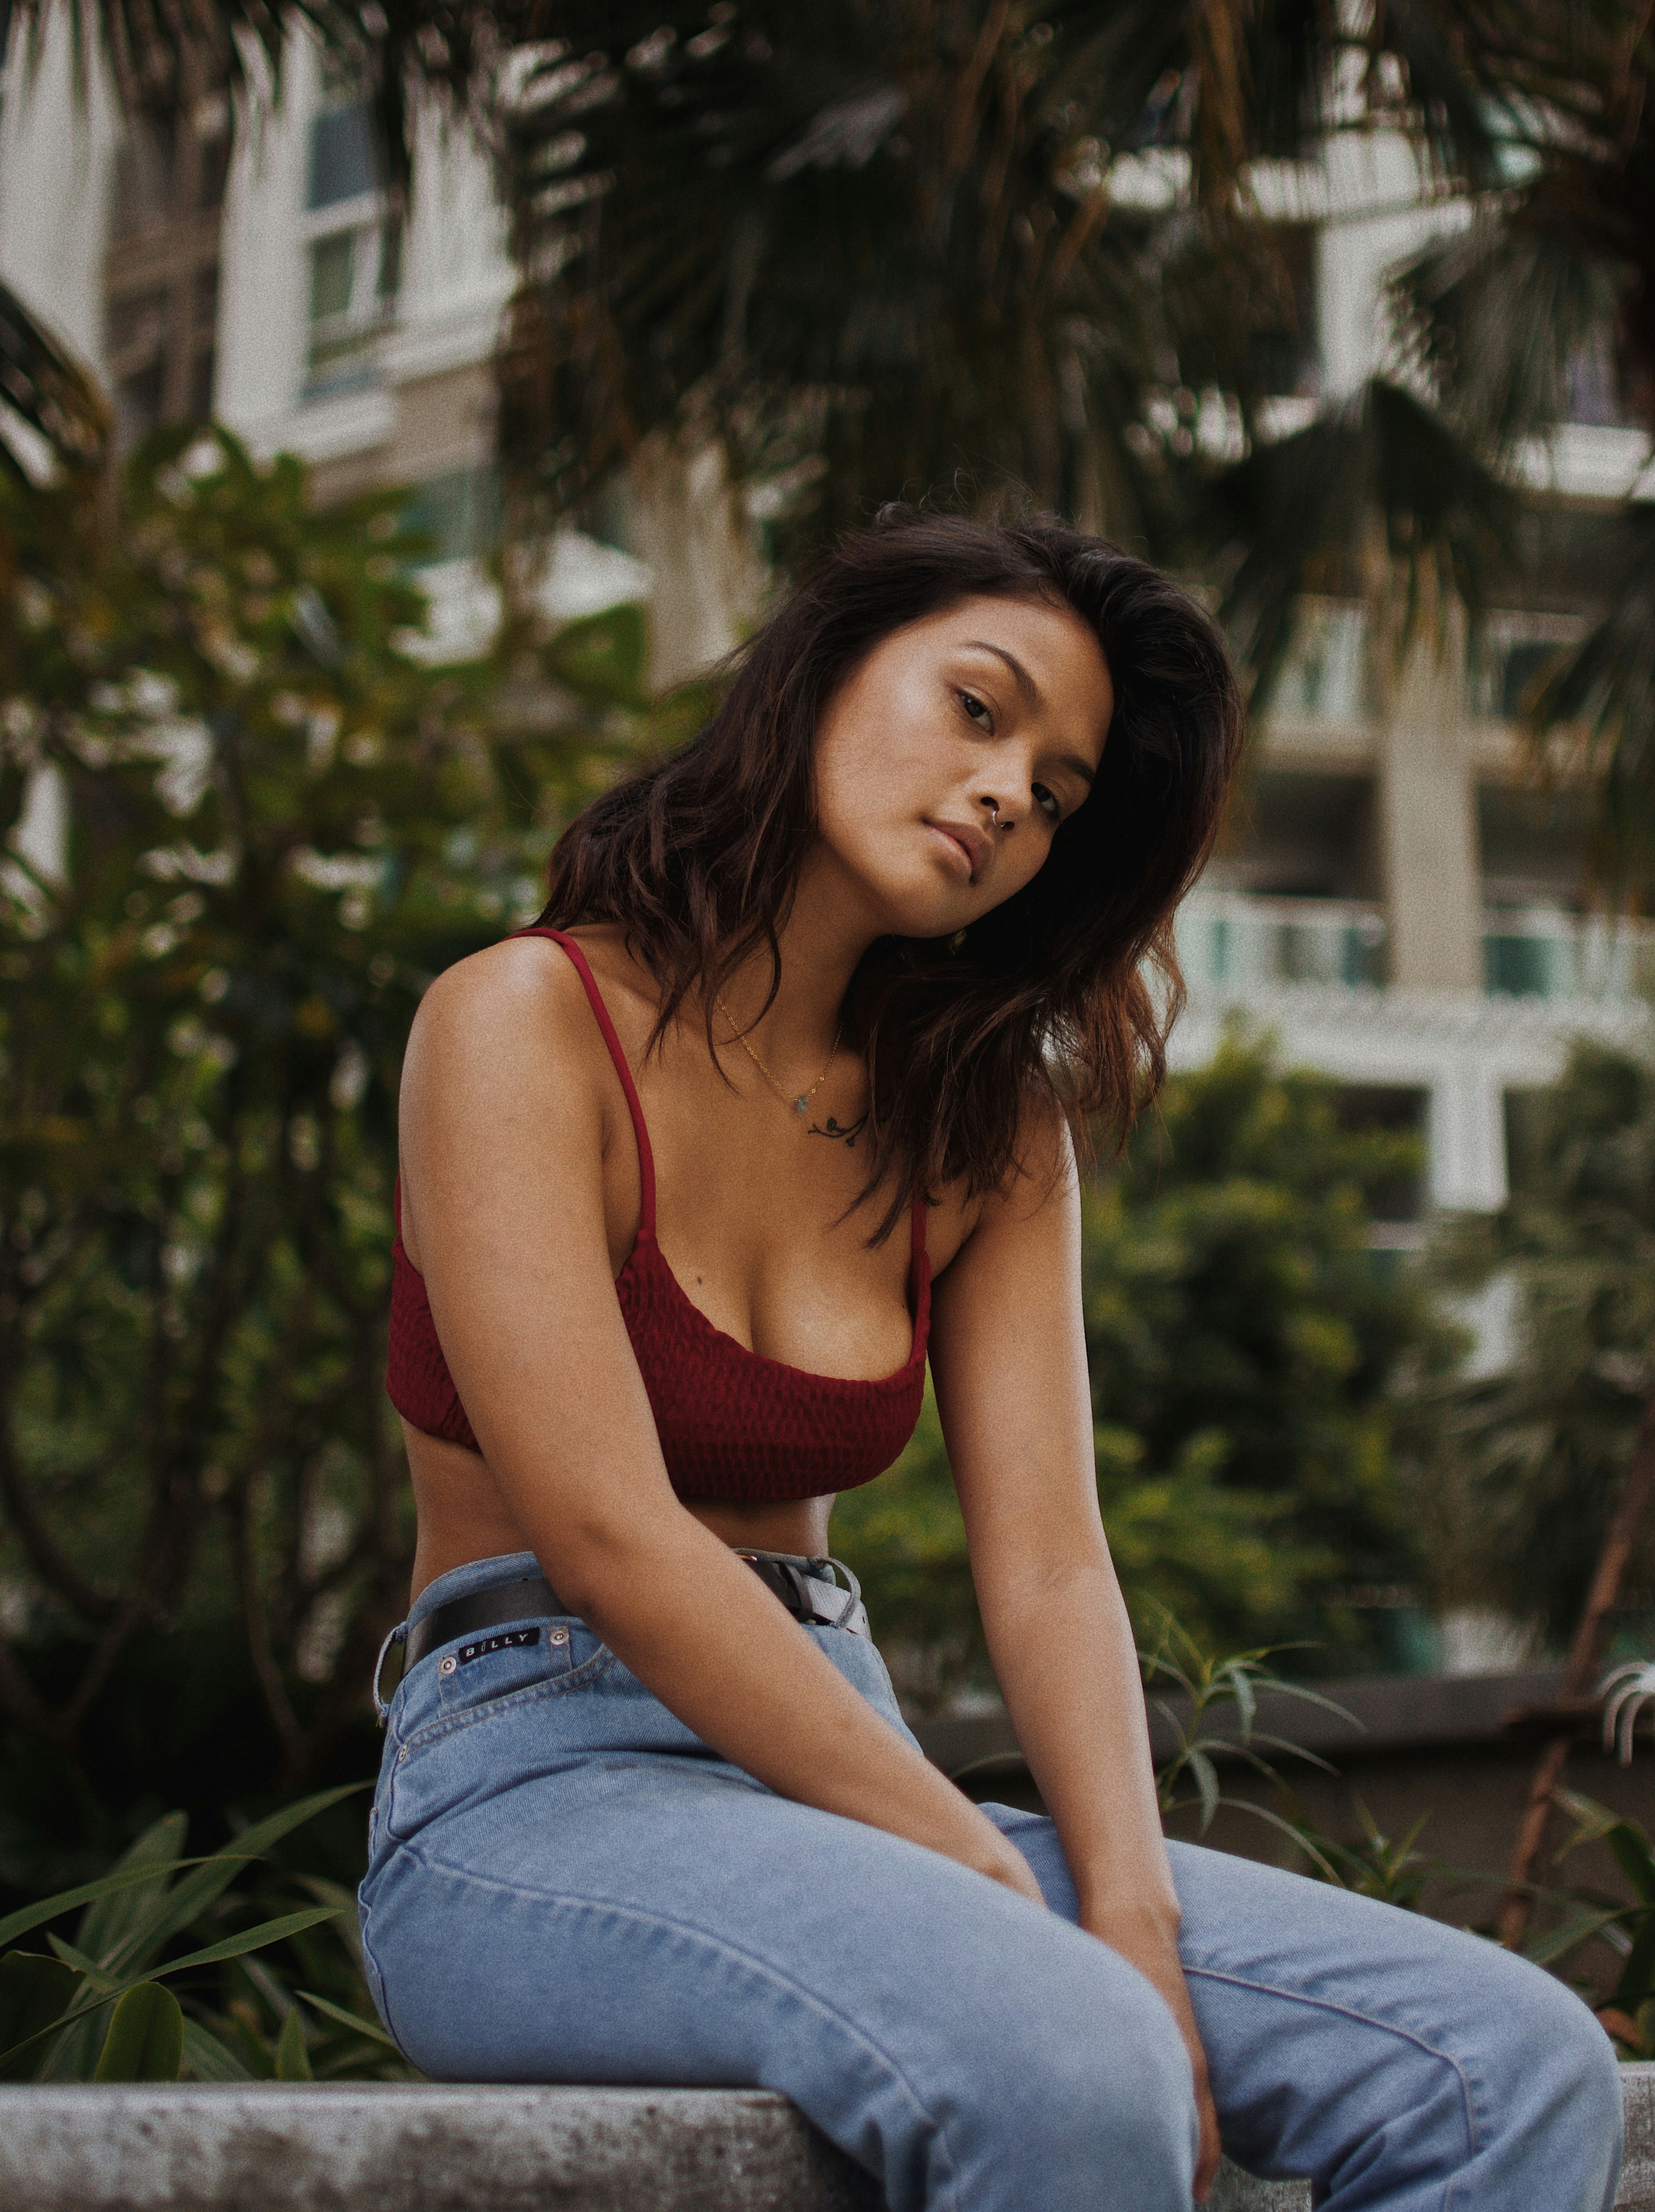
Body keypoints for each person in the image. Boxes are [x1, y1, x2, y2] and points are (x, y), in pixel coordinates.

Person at [359, 511, 1621, 2212]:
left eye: (1060, 787)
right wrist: (987, 1880)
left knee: (1507, 2068)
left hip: (846, 1771)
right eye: (977, 707)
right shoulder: (519, 1020)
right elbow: (612, 1537)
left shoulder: (987, 1121)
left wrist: (1130, 1911)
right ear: (818, 673)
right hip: (536, 1785)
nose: (1012, 790)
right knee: (1065, 2050)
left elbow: (1046, 1559)